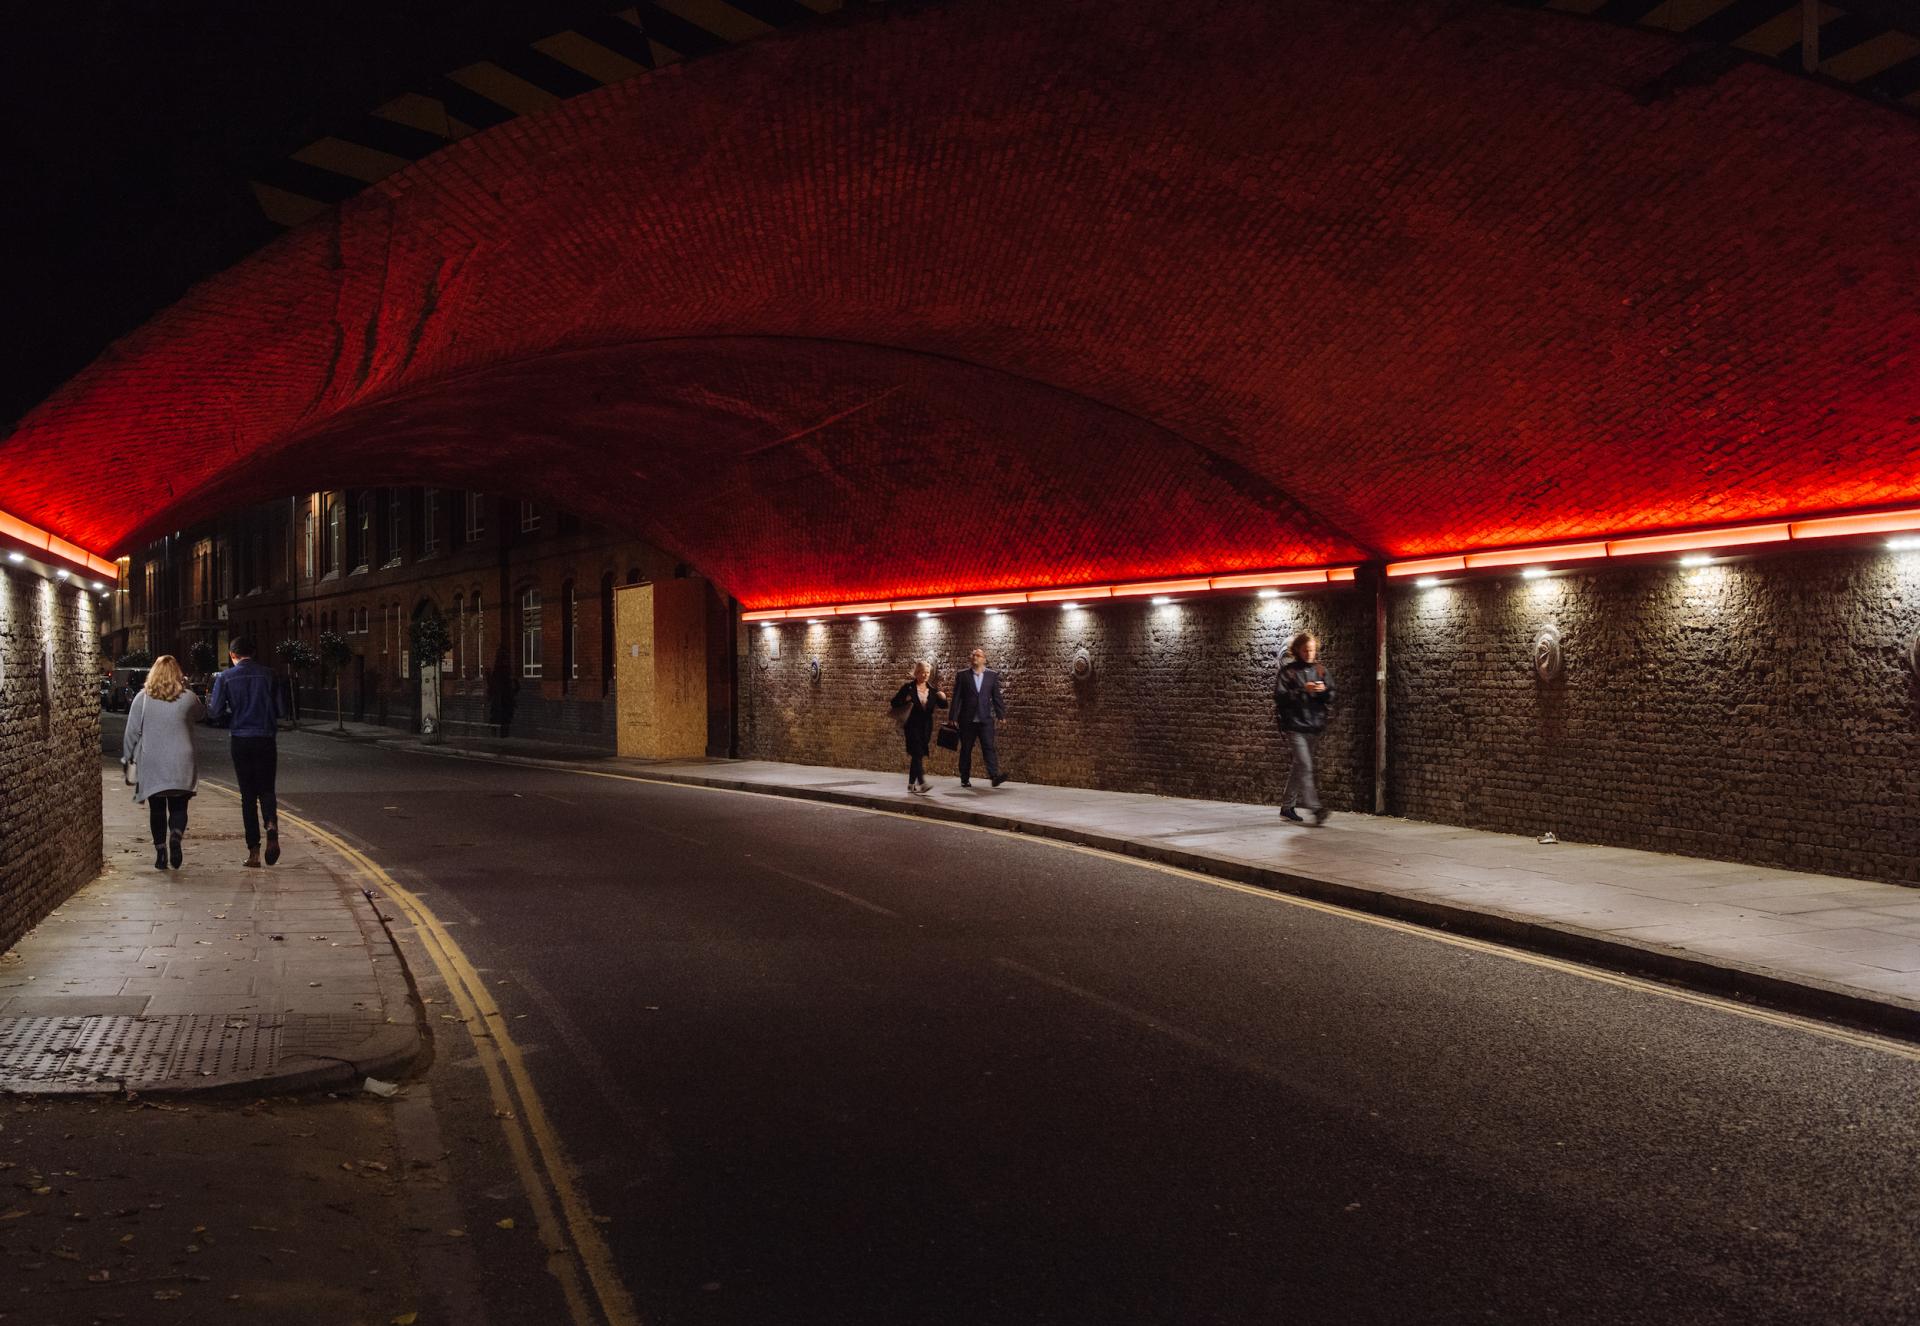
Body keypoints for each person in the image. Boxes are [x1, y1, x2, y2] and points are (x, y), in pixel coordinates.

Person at [121, 654, 207, 870]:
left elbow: (131, 732)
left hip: (153, 760)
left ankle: (160, 853)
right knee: (179, 805)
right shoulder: (187, 697)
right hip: (181, 760)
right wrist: (187, 688)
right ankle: (176, 836)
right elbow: (202, 714)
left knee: (157, 808)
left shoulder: (143, 698)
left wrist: (127, 757)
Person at [207, 635, 287, 867]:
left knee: (248, 796)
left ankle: (254, 852)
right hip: (265, 738)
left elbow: (214, 712)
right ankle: (271, 825)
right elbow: (280, 710)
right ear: (253, 652)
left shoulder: (226, 677)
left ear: (232, 655)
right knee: (267, 791)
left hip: (241, 739)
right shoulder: (269, 675)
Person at [1274, 632, 1335, 825]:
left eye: (1312, 650)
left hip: (1314, 726)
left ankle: (1287, 806)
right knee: (1306, 766)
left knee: (1299, 766)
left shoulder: (1321, 671)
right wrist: (1302, 690)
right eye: (1305, 650)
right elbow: (1280, 696)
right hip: (1295, 726)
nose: (1309, 653)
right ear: (1298, 651)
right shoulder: (1288, 672)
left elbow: (1332, 694)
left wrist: (1323, 691)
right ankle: (1316, 809)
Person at [949, 647, 1007, 788]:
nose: (975, 657)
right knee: (966, 749)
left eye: (978, 655)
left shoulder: (991, 676)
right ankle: (964, 778)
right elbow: (957, 697)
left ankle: (994, 776)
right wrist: (953, 716)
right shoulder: (962, 675)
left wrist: (1001, 715)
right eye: (973, 655)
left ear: (984, 659)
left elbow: (996, 697)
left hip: (985, 719)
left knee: (989, 747)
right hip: (967, 720)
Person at [889, 661, 949, 794]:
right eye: (922, 672)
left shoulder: (932, 690)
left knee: (918, 755)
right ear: (916, 673)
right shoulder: (908, 688)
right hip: (911, 725)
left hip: (926, 726)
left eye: (927, 672)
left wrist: (943, 698)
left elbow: (944, 706)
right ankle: (922, 783)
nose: (925, 675)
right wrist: (906, 699)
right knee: (917, 752)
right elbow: (894, 703)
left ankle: (911, 784)